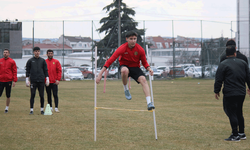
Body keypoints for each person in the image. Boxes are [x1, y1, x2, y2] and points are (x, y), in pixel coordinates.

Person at [96, 31, 155, 110]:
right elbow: (111, 60)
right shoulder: (122, 48)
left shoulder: (140, 49)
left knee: (144, 80)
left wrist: (149, 69)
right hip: (125, 66)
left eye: (135, 39)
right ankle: (126, 88)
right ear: (127, 39)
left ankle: (149, 103)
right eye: (131, 39)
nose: (133, 41)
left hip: (135, 67)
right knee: (124, 70)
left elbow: (144, 62)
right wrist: (100, 74)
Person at [214, 45, 250, 141]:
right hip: (241, 92)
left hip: (230, 92)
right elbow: (248, 77)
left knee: (231, 111)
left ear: (226, 54)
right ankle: (242, 133)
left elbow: (219, 79)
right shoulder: (243, 63)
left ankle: (235, 134)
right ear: (235, 53)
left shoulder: (223, 64)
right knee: (239, 112)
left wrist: (216, 90)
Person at [26, 47, 49, 115]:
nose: (37, 52)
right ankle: (31, 110)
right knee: (32, 94)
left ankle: (42, 109)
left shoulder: (42, 60)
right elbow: (27, 70)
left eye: (38, 51)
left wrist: (47, 78)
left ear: (40, 52)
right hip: (33, 81)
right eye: (35, 51)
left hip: (41, 81)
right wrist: (27, 79)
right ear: (33, 52)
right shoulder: (30, 61)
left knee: (41, 95)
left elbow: (45, 70)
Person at [0, 49, 17, 113]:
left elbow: (14, 71)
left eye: (6, 52)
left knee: (8, 95)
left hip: (8, 81)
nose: (5, 53)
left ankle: (6, 108)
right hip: (1, 80)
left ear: (9, 54)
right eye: (4, 52)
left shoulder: (12, 61)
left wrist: (14, 80)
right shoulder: (0, 61)